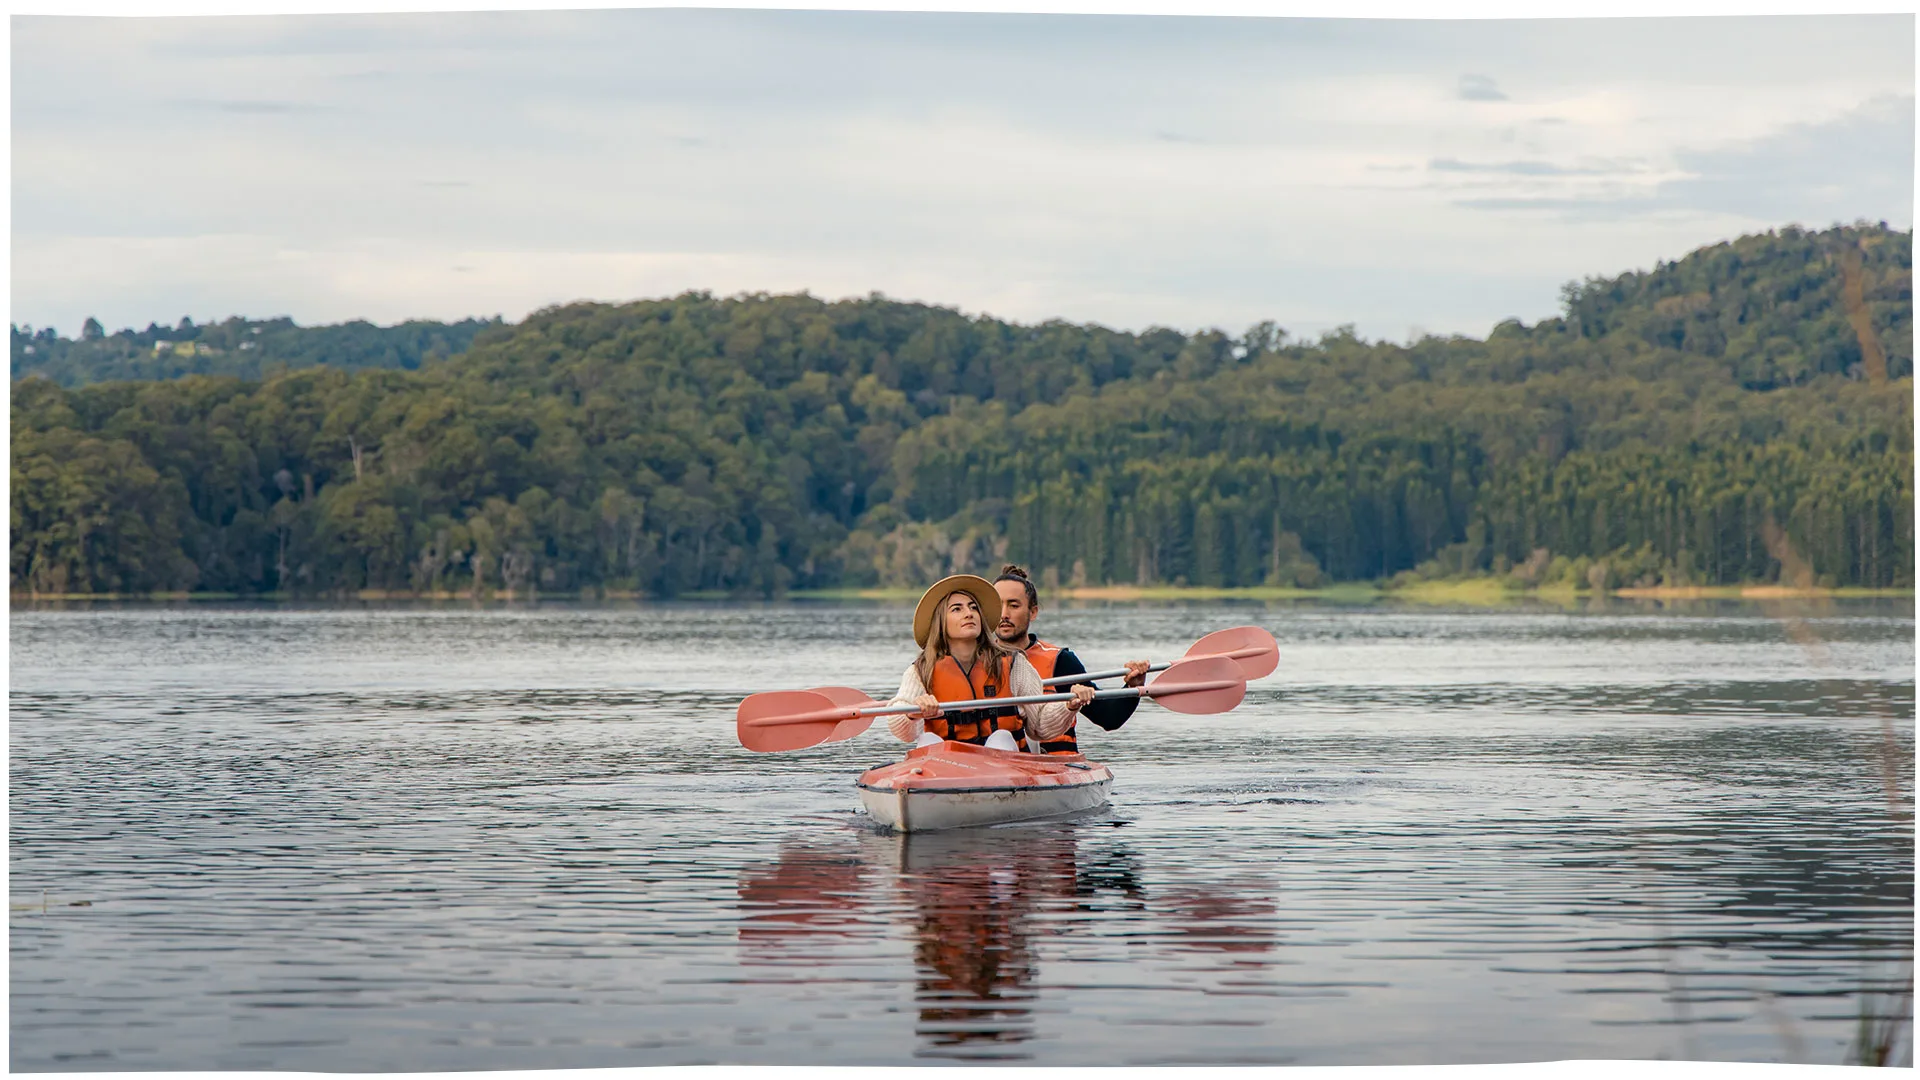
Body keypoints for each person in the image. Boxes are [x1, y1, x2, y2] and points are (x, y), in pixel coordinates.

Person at [886, 574, 1093, 753]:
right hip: (946, 767)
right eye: (957, 609)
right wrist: (912, 712)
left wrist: (1069, 705)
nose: (969, 613)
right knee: (927, 740)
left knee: (1001, 737)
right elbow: (901, 727)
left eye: (973, 607)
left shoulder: (1013, 663)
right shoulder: (921, 670)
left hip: (1004, 762)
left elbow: (1039, 727)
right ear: (941, 622)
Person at [993, 564, 1150, 755]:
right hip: (999, 761)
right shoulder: (976, 661)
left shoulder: (1060, 661)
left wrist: (1133, 688)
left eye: (1013, 605)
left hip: (1054, 767)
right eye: (998, 605)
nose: (1003, 614)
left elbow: (1109, 718)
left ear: (1033, 612)